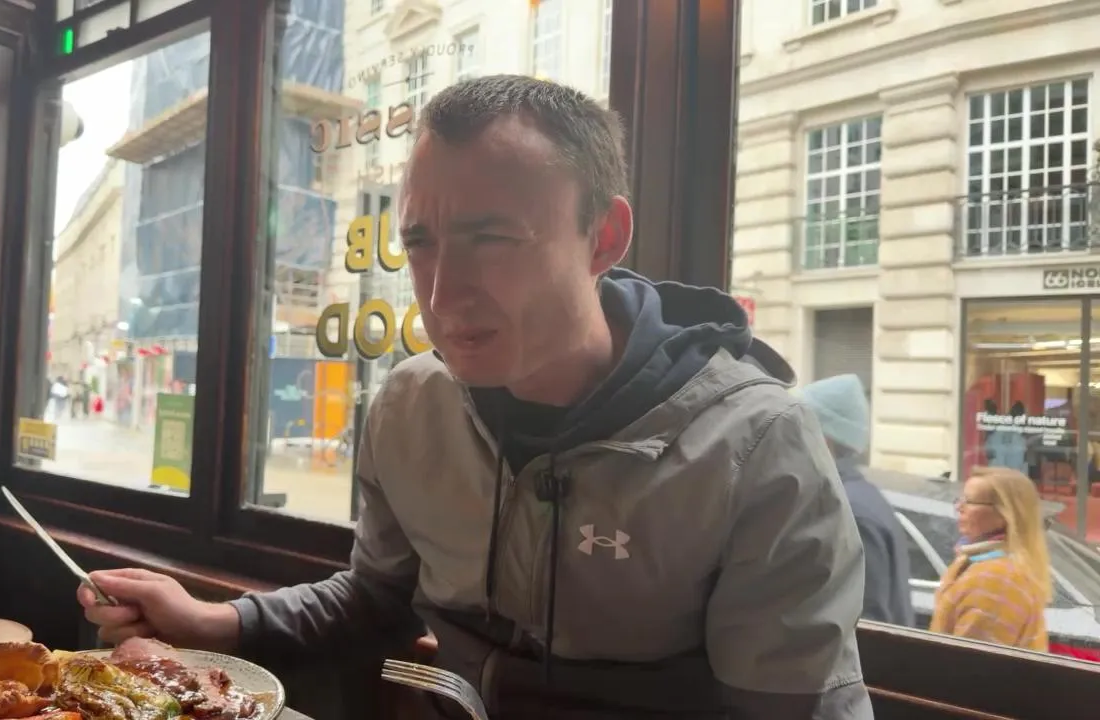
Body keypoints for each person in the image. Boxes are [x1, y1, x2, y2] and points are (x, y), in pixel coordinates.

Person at [80, 75, 872, 719]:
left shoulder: (755, 447)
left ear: (602, 237)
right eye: (421, 243)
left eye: (491, 239)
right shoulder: (410, 405)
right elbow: (375, 599)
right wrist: (215, 621)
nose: (442, 295)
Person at [797, 374, 913, 627]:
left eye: (798, 431)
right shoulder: (857, 497)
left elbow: (867, 622)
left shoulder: (846, 509)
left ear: (823, 439)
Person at [930, 465, 1051, 651]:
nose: (959, 507)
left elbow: (968, 663)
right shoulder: (976, 560)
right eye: (960, 499)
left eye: (969, 501)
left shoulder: (998, 579)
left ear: (1004, 514)